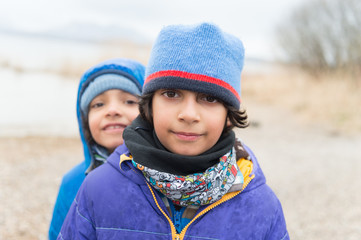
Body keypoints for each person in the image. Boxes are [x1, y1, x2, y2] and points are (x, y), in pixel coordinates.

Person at [59, 23, 289, 240]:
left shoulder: (262, 207)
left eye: (209, 98)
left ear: (229, 115)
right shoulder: (98, 189)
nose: (188, 114)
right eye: (171, 94)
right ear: (149, 106)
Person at [48, 58, 145, 240]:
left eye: (130, 101)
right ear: (85, 121)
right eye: (99, 104)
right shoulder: (72, 182)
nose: (113, 110)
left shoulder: (165, 179)